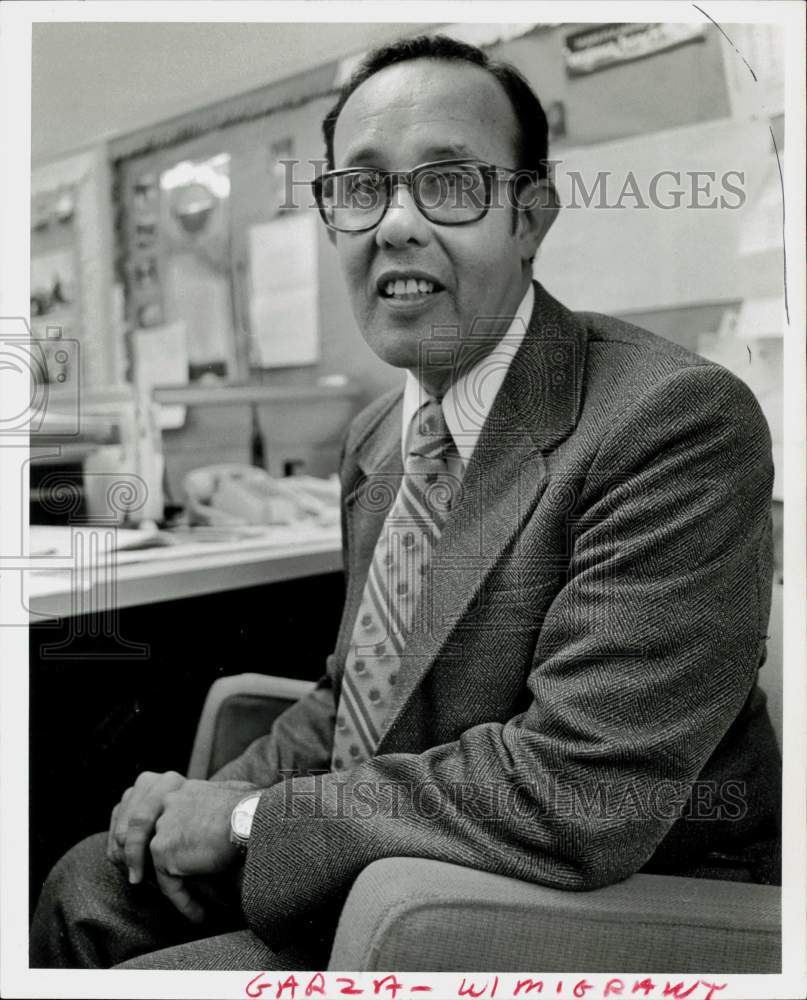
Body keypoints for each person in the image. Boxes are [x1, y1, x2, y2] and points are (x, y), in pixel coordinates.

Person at [30, 34, 781, 970]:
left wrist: (247, 821)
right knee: (86, 882)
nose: (393, 224)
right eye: (360, 187)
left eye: (451, 183)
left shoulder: (671, 420)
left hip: (583, 884)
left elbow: (587, 788)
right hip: (402, 833)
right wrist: (201, 800)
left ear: (530, 217)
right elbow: (356, 699)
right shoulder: (381, 436)